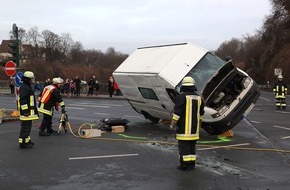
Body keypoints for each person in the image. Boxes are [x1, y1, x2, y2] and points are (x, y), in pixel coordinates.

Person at [169, 76, 204, 171]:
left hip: (184, 129)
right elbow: (201, 114)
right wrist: (199, 126)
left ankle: (184, 165)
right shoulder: (199, 98)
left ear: (183, 86)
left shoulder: (181, 97)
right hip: (194, 130)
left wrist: (172, 124)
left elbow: (177, 113)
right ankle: (192, 164)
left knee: (184, 148)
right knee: (192, 148)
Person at [18, 71, 39, 149]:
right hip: (26, 113)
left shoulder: (27, 86)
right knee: (25, 128)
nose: (33, 80)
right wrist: (25, 111)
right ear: (28, 79)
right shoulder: (25, 87)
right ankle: (23, 144)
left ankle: (26, 140)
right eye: (31, 78)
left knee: (27, 127)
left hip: (28, 113)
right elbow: (23, 101)